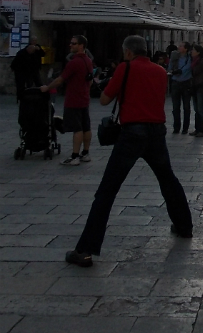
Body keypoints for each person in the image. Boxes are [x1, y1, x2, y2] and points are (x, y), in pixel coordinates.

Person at [64, 35, 193, 267]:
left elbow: (104, 100)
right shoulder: (159, 71)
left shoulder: (126, 68)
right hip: (156, 133)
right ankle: (184, 226)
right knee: (168, 180)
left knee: (107, 190)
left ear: (129, 52)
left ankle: (85, 250)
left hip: (132, 133)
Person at [41, 34, 93, 165]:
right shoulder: (88, 60)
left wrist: (47, 87)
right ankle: (85, 153)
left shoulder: (74, 62)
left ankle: (75, 156)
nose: (70, 45)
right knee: (86, 127)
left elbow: (60, 79)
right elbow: (90, 80)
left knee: (77, 128)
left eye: (74, 43)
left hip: (73, 99)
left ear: (81, 46)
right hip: (84, 98)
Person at [168, 41, 192, 134]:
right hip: (175, 83)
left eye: (181, 46)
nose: (179, 47)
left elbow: (188, 68)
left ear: (185, 49)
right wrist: (172, 70)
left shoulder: (190, 58)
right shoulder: (174, 57)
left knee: (186, 107)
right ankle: (176, 127)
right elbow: (170, 67)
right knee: (175, 107)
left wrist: (180, 71)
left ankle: (185, 128)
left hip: (186, 83)